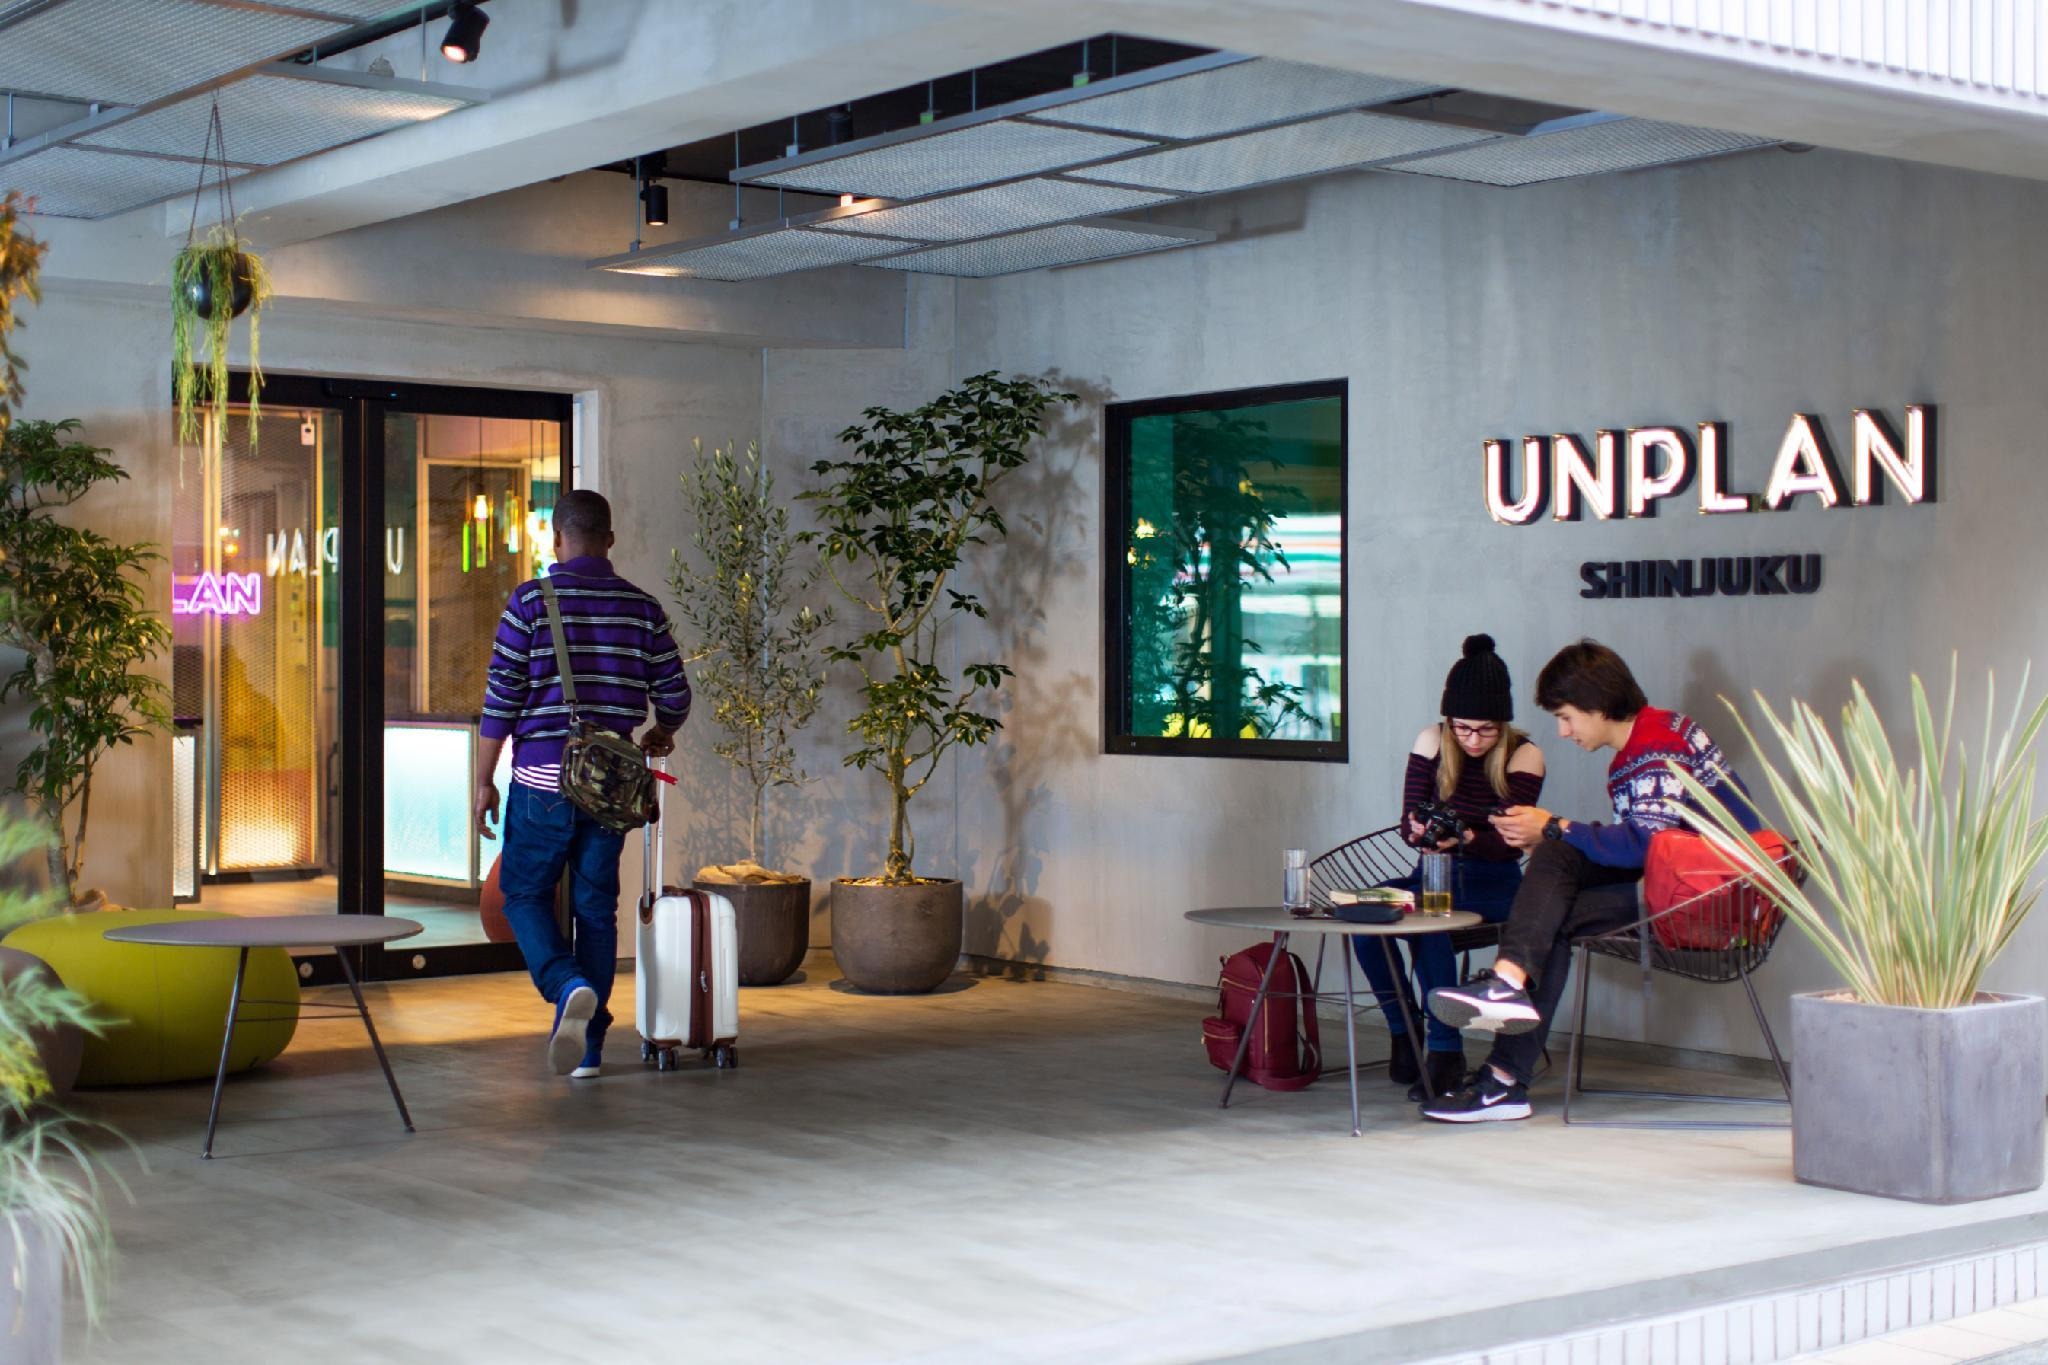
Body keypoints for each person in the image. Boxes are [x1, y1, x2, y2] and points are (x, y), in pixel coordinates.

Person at [1420, 639, 1761, 1123]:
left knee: (1554, 897)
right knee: (1556, 863)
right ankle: (1505, 1012)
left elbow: (1644, 847)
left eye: (1566, 717)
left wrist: (1556, 827)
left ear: (1597, 705)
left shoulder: (1656, 746)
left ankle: (1503, 1068)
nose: (1563, 732)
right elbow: (1645, 850)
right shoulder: (1648, 739)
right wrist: (1553, 842)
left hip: (1708, 900)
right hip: (1682, 885)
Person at [473, 490, 690, 1079]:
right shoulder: (642, 608)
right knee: (595, 910)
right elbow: (675, 695)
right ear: (610, 539)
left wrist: (483, 780)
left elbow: (501, 699)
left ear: (555, 539)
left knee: (523, 894)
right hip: (612, 786)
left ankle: (565, 982)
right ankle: (589, 1052)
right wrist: (661, 733)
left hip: (542, 778)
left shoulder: (529, 602)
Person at [1355, 634, 1544, 1101]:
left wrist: (1468, 837)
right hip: (1433, 875)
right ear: (1448, 721)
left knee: (1429, 922)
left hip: (1494, 884)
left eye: (1486, 730)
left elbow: (1510, 845)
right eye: (1462, 728)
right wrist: (1420, 830)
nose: (1473, 740)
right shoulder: (1431, 741)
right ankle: (1404, 1031)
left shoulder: (1525, 754)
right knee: (1364, 916)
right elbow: (1408, 821)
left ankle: (1445, 1052)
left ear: (1502, 724)